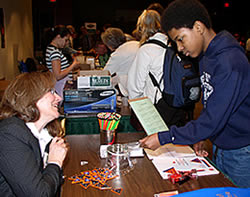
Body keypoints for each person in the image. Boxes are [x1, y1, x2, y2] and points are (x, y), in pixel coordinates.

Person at [139, 0, 250, 188]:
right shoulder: (206, 57)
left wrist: (164, 137)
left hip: (241, 151)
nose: (180, 48)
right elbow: (213, 105)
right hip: (221, 146)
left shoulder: (230, 62)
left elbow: (213, 119)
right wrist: (201, 135)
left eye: (181, 39)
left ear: (198, 27)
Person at [0, 71, 68, 196]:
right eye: (51, 92)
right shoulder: (9, 134)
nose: (59, 98)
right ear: (31, 95)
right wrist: (55, 162)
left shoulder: (44, 133)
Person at [127, 10, 186, 127]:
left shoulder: (147, 50)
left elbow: (135, 87)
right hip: (178, 105)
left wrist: (138, 111)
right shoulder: (174, 45)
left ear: (142, 28)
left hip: (157, 110)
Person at [101, 27, 139, 97]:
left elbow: (104, 74)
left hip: (133, 90)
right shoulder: (137, 43)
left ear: (109, 45)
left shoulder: (118, 54)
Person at [45, 25, 80, 99]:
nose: (66, 43)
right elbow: (58, 75)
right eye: (65, 40)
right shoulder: (54, 52)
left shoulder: (51, 49)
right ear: (58, 37)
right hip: (60, 87)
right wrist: (73, 65)